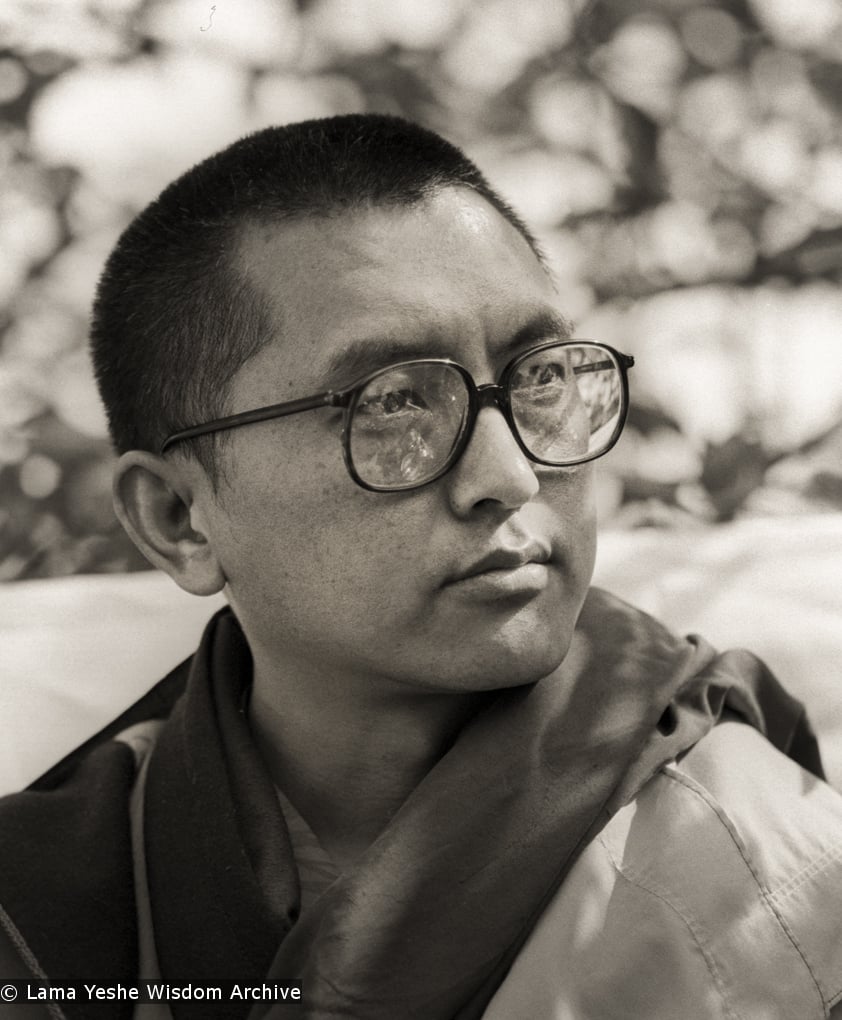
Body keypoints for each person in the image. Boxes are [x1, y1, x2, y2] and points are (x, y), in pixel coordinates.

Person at [1, 113, 841, 1020]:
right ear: (179, 520)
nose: (510, 476)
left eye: (542, 379)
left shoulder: (775, 876)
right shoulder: (39, 913)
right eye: (395, 402)